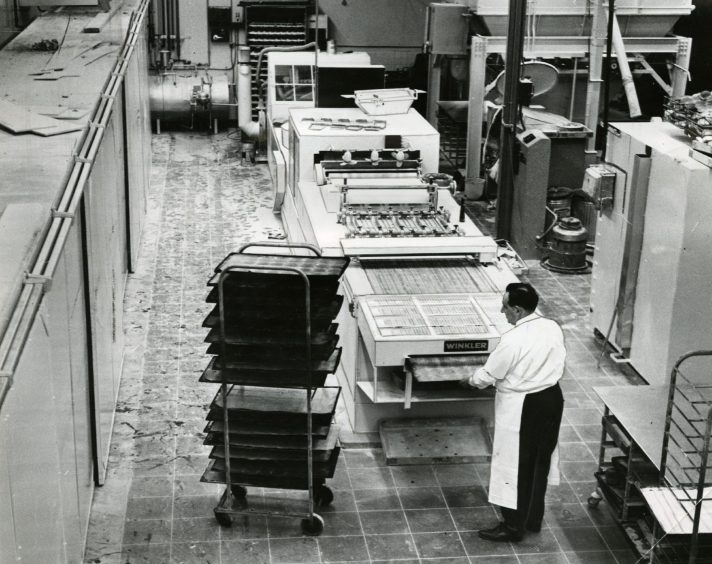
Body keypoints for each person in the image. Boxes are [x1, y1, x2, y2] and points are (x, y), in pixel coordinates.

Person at [461, 282, 565, 542]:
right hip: (552, 398)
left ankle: (513, 526)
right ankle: (532, 519)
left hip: (524, 407)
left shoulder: (512, 339)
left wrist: (468, 379)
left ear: (518, 311)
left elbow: (488, 375)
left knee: (516, 465)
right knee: (540, 461)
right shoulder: (552, 326)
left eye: (505, 307)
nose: (501, 311)